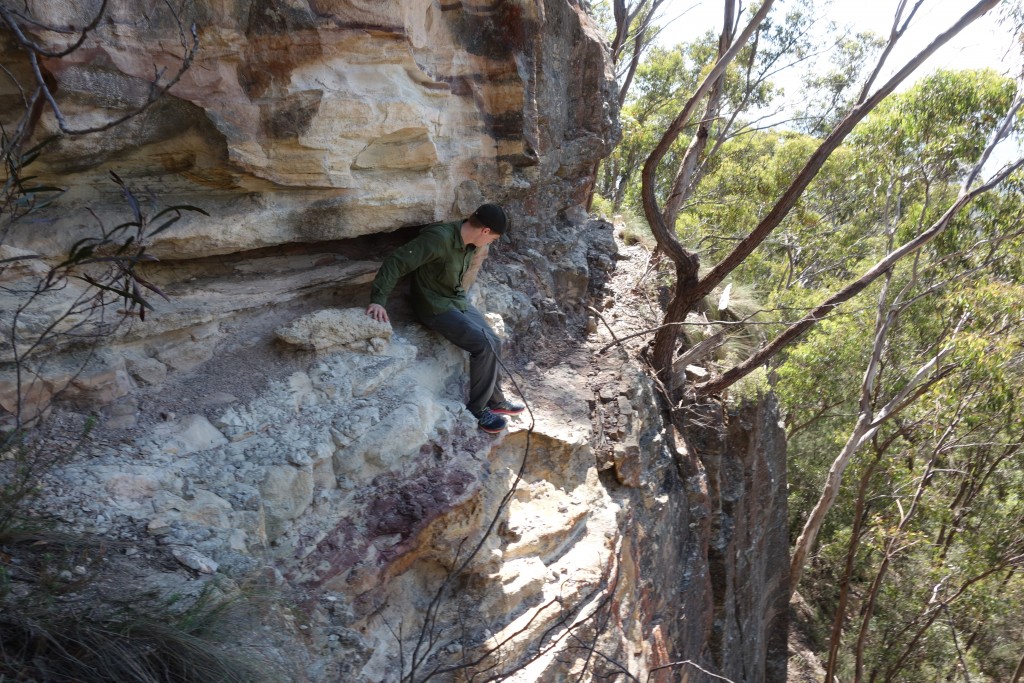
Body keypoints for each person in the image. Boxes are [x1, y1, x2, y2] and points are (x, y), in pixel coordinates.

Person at [366, 203, 525, 433]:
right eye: (493, 239)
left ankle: (496, 400)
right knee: (482, 345)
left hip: (455, 301)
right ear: (485, 231)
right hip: (433, 306)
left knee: (494, 341)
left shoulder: (468, 243)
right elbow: (397, 261)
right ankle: (477, 410)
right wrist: (378, 299)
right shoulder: (439, 238)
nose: (490, 243)